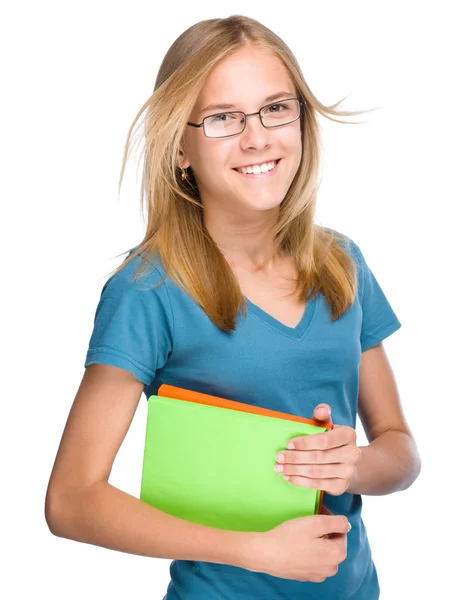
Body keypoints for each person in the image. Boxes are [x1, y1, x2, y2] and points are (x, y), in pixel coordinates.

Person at [44, 14, 421, 600]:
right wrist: (253, 551)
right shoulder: (149, 290)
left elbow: (400, 448)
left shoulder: (343, 265)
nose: (257, 137)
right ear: (180, 149)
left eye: (276, 107)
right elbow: (71, 501)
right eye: (223, 118)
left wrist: (354, 466)